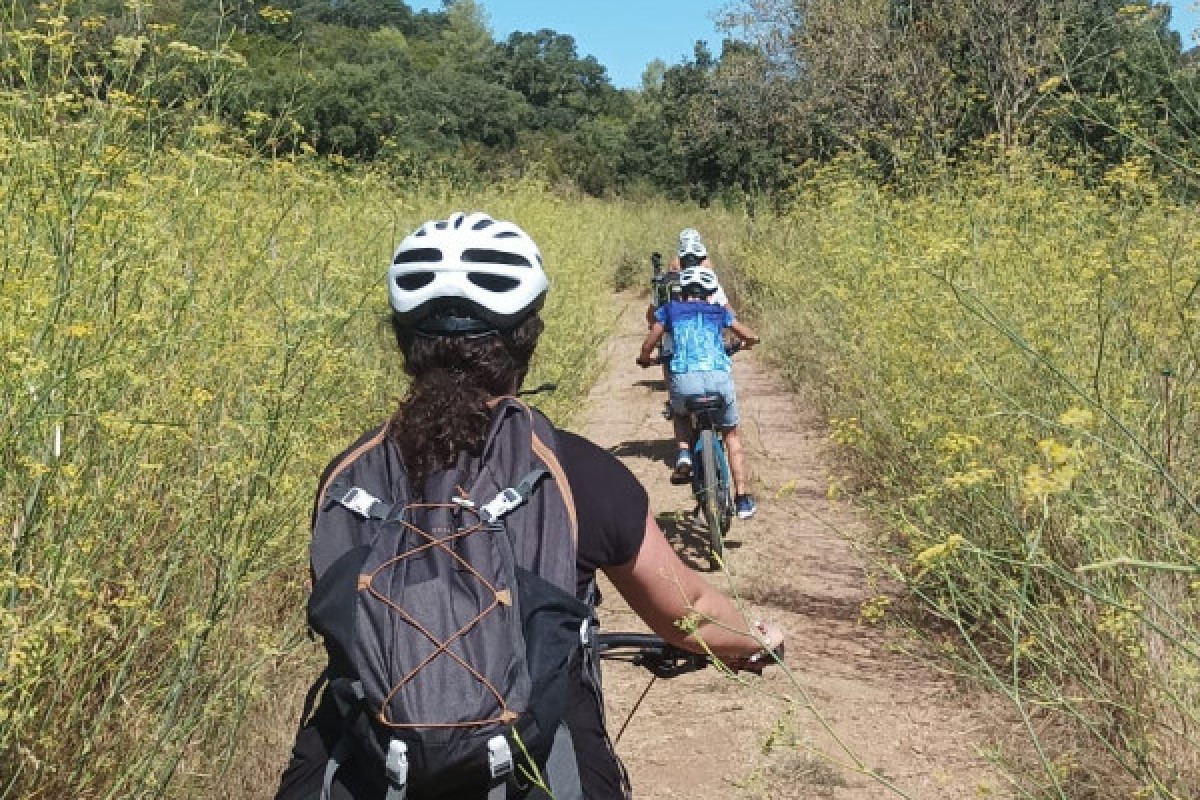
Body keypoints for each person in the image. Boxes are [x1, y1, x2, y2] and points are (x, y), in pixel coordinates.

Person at [273, 212, 783, 800]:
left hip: (365, 767)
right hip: (533, 768)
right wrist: (757, 637)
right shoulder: (577, 471)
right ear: (528, 340)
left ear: (402, 343)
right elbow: (686, 611)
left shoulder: (349, 473)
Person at [636, 266, 760, 520]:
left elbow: (650, 341)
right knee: (731, 435)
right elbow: (748, 335)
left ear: (682, 292)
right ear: (710, 292)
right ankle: (743, 497)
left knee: (680, 413)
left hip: (684, 380)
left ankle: (683, 453)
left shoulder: (670, 310)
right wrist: (747, 343)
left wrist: (644, 358)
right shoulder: (719, 312)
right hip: (718, 380)